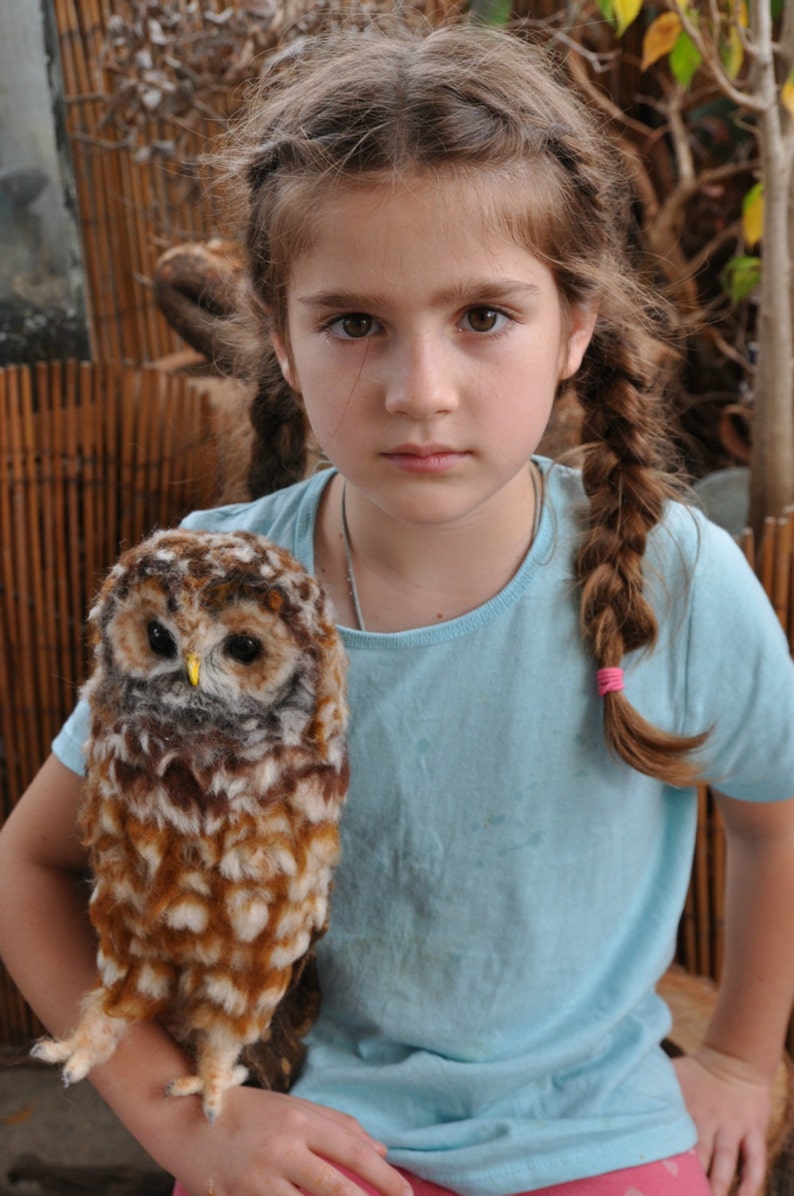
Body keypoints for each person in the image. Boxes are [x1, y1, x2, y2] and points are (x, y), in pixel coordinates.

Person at [1, 21, 794, 1196]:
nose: (418, 390)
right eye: (352, 322)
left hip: (594, 1135)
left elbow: (772, 818)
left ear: (575, 325)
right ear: (278, 337)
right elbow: (28, 865)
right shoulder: (197, 597)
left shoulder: (671, 576)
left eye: (482, 317)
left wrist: (736, 1050)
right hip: (302, 1143)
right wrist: (186, 1127)